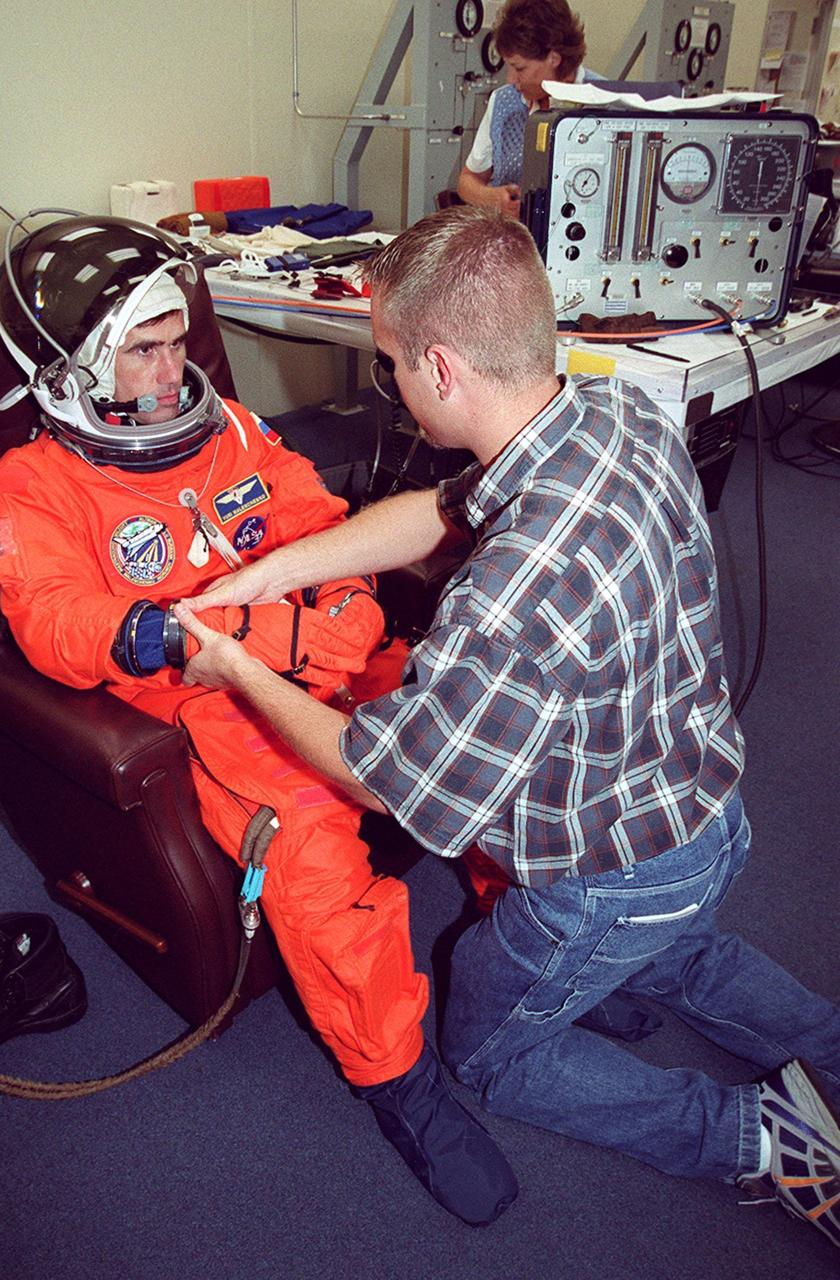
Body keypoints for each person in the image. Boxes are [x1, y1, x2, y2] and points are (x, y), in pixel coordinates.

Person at [173, 205, 840, 1252]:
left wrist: (239, 665)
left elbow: (382, 776)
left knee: (490, 1048)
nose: (389, 382)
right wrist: (274, 571)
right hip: (702, 811)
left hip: (611, 873)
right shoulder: (616, 415)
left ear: (440, 367)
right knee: (673, 955)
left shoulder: (508, 592)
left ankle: (755, 1137)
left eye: (392, 362)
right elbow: (446, 510)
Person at [0, 213, 518, 1228]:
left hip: (315, 640)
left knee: (474, 728)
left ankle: (527, 944)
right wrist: (154, 633)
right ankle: (399, 1080)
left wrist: (347, 602)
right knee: (314, 863)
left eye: (179, 337)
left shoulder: (225, 423)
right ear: (75, 366)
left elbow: (314, 516)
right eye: (146, 347)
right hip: (214, 699)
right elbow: (52, 616)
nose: (175, 363)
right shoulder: (35, 485)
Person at [458, 0, 601, 215]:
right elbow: (468, 181)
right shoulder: (503, 102)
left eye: (519, 68)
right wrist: (494, 198)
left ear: (553, 58)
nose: (511, 80)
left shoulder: (604, 104)